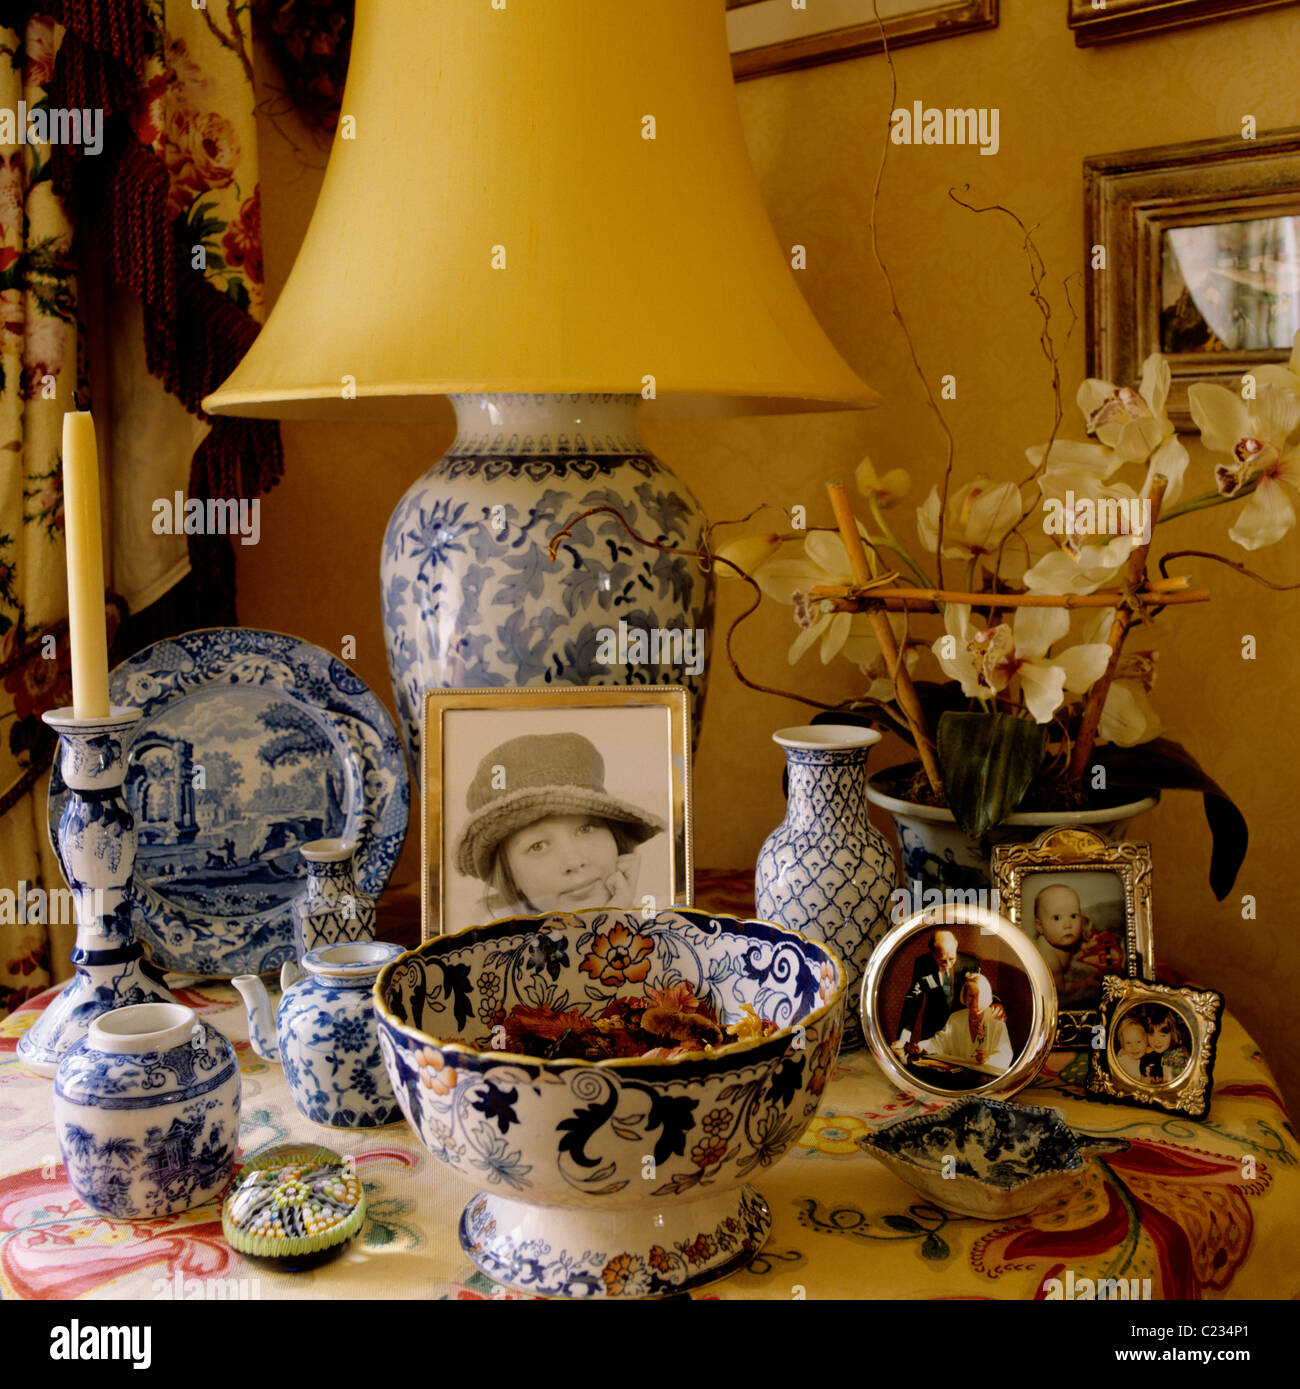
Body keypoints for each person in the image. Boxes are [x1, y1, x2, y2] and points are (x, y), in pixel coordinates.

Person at [453, 731, 665, 919]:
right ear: (510, 876)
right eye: (538, 846)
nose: (574, 861)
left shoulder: (669, 938)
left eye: (585, 829)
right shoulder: (489, 952)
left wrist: (626, 922)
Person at [905, 974, 1013, 1073]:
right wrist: (921, 1046)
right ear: (964, 996)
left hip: (986, 1077)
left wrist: (988, 1059)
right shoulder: (956, 1018)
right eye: (970, 995)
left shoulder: (996, 1021)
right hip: (959, 1075)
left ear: (986, 996)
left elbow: (1006, 1054)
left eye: (979, 995)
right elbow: (940, 1042)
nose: (974, 1001)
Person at [893, 929, 979, 1048]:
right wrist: (903, 1038)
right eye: (942, 960)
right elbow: (913, 1001)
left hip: (962, 1028)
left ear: (956, 946)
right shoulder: (922, 964)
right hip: (933, 1029)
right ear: (933, 954)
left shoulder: (970, 963)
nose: (948, 965)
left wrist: (996, 1003)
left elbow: (983, 989)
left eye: (952, 959)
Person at [1139, 1007, 1192, 1084]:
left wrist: (1154, 1080)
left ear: (1174, 1034)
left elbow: (1170, 1082)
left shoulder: (1178, 1054)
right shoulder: (1155, 1054)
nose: (1156, 1041)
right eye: (1151, 1035)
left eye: (1163, 1035)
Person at [1115, 1015, 1148, 1081]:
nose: (1134, 1047)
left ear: (1147, 1041)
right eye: (1128, 1043)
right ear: (1123, 1045)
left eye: (1138, 1042)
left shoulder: (1151, 1058)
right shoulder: (1122, 1062)